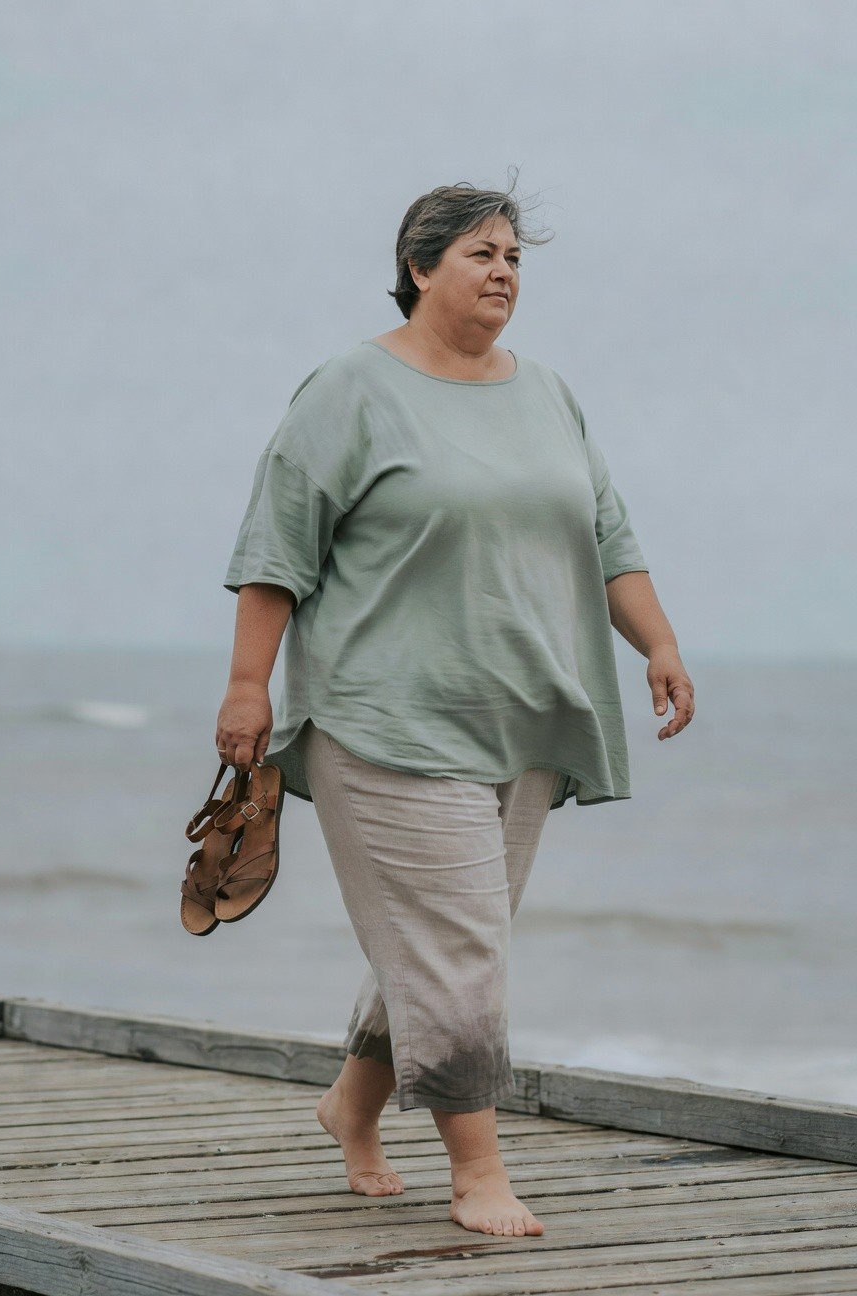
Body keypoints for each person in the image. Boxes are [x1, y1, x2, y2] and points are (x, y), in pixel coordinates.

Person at [215, 181, 695, 1238]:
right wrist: (249, 685)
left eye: (515, 256)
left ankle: (351, 1106)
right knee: (458, 943)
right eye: (482, 253)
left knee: (452, 937)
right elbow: (277, 547)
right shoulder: (351, 389)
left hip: (523, 720)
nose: (504, 272)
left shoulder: (548, 394)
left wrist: (658, 644)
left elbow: (608, 538)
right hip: (382, 719)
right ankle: (478, 1172)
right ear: (419, 266)